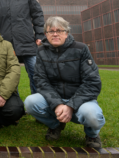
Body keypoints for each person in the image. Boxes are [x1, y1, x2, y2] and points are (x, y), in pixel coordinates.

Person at [24, 16, 105, 148]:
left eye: (59, 30)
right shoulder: (41, 51)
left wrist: (70, 106)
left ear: (67, 33)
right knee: (30, 103)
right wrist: (57, 104)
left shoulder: (81, 49)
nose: (55, 34)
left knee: (92, 115)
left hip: (81, 100)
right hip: (56, 99)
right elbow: (40, 81)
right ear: (46, 34)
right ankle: (55, 125)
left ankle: (92, 134)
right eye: (51, 31)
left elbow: (92, 83)